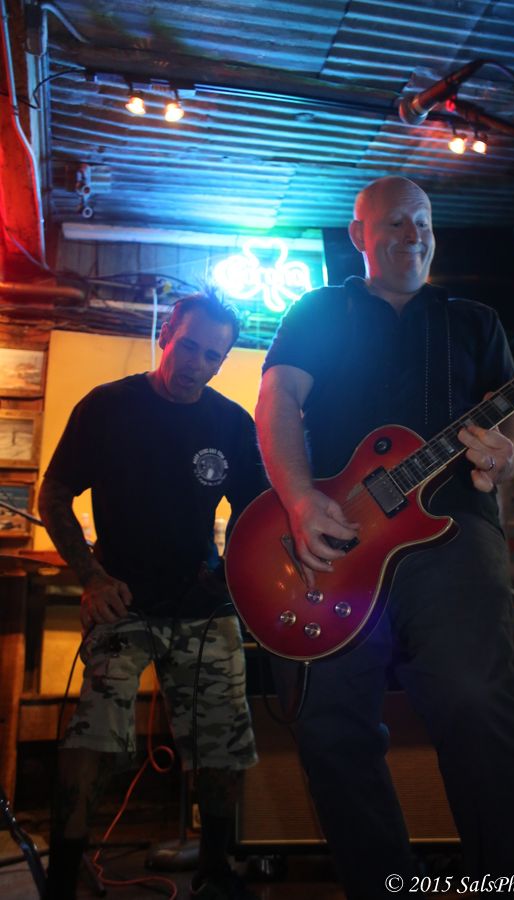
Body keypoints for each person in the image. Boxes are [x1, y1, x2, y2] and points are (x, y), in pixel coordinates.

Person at [254, 176, 514, 899]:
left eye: (423, 223)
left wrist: (509, 454)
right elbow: (278, 398)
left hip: (452, 531)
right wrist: (299, 500)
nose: (412, 235)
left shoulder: (473, 319)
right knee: (329, 725)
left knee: (476, 697)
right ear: (359, 234)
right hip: (339, 541)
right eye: (394, 223)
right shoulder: (318, 311)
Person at [39, 290, 264, 900]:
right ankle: (63, 877)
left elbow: (259, 514)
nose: (197, 364)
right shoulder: (107, 406)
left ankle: (216, 870)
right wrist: (91, 577)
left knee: (223, 740)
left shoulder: (231, 423)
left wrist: (230, 576)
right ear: (166, 335)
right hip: (123, 601)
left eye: (213, 356)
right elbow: (54, 494)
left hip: (203, 606)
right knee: (93, 733)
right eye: (189, 347)